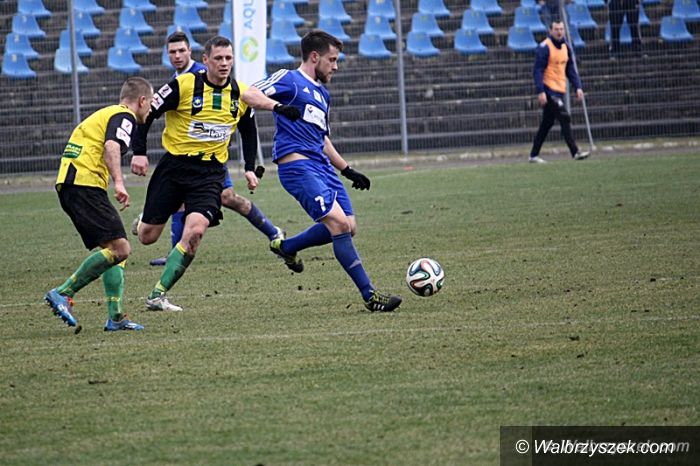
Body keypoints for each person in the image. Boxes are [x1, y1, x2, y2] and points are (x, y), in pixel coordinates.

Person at [130, 36, 300, 312]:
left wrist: (249, 167)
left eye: (228, 58)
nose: (224, 63)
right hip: (175, 168)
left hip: (210, 174)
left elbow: (248, 129)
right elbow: (147, 113)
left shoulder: (239, 93)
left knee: (195, 232)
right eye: (218, 58)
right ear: (205, 60)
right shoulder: (184, 85)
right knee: (147, 237)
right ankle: (145, 220)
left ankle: (157, 295)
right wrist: (139, 152)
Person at [245, 30, 402, 312]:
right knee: (338, 224)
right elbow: (248, 93)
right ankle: (370, 295)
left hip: (323, 167)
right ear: (315, 57)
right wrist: (277, 106)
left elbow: (323, 139)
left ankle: (287, 247)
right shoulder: (289, 79)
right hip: (297, 167)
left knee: (349, 226)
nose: (336, 66)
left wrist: (347, 169)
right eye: (332, 60)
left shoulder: (323, 94)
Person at [141, 31, 285, 267]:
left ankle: (273, 231)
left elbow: (243, 119)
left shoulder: (208, 74)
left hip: (211, 161)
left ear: (192, 53)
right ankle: (172, 244)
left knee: (226, 197)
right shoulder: (179, 80)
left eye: (181, 51)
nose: (177, 56)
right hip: (184, 161)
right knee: (199, 200)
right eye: (172, 52)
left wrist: (249, 166)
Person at [44, 77, 154, 332]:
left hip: (75, 183)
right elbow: (111, 146)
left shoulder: (106, 114)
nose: (149, 110)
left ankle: (116, 317)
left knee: (115, 249)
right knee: (121, 249)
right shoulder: (124, 116)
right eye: (150, 103)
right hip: (83, 184)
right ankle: (63, 292)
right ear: (142, 100)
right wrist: (119, 182)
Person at [529, 21, 590, 164]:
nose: (559, 32)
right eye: (556, 29)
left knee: (547, 123)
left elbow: (570, 69)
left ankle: (533, 155)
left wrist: (578, 87)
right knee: (564, 117)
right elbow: (537, 71)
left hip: (559, 89)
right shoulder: (544, 47)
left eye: (561, 29)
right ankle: (575, 152)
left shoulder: (566, 47)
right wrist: (541, 91)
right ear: (550, 31)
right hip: (549, 90)